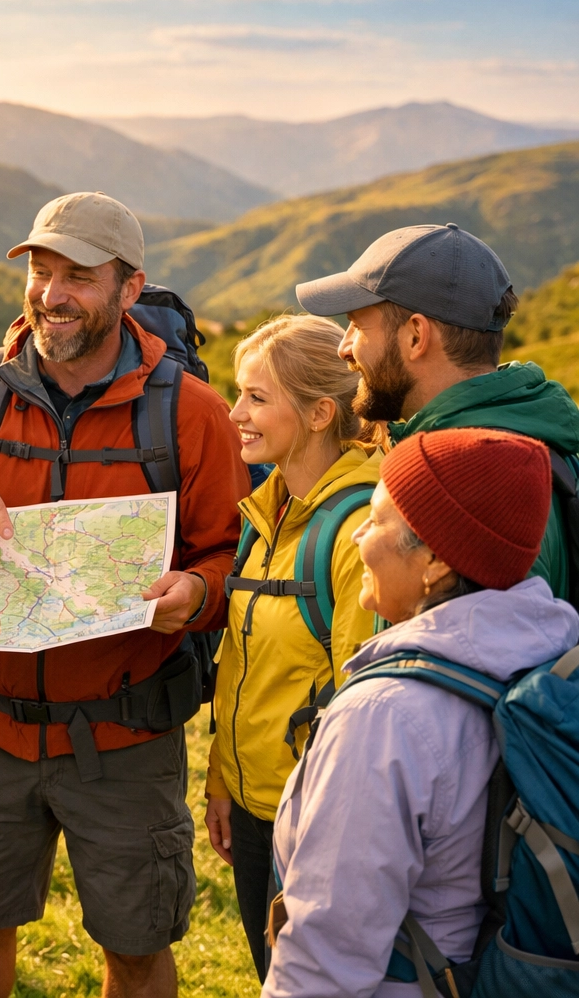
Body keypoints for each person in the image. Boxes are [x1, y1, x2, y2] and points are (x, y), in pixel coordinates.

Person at [0, 191, 248, 998]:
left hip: (127, 738)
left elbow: (230, 557)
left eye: (78, 275)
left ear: (129, 288)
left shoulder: (192, 413)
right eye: (40, 270)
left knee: (137, 947)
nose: (51, 293)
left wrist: (198, 592)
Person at [263, 427, 579, 997]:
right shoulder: (551, 651)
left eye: (377, 518)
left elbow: (327, 959)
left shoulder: (383, 718)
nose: (357, 532)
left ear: (435, 561)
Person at [204, 314, 379, 982]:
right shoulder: (268, 510)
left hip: (316, 826)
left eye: (256, 397)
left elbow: (364, 704)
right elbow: (248, 663)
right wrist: (223, 778)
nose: (234, 413)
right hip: (254, 814)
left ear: (318, 413)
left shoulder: (358, 528)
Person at [296, 222, 579, 597]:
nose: (343, 348)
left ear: (416, 336)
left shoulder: (470, 483)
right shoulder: (534, 433)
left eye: (357, 327)